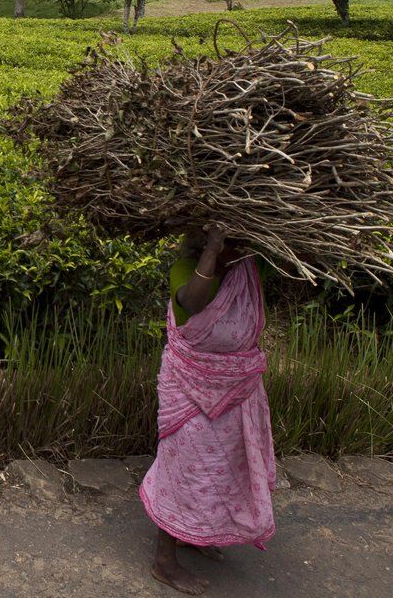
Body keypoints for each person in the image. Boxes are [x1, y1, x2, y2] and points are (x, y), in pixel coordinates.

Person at [139, 225, 276, 595]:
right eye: (225, 245)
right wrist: (212, 252)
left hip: (235, 387)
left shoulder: (246, 272)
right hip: (190, 386)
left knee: (219, 469)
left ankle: (192, 532)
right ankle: (164, 561)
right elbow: (193, 301)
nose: (234, 251)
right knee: (185, 469)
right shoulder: (186, 269)